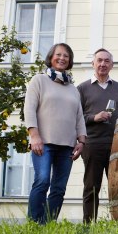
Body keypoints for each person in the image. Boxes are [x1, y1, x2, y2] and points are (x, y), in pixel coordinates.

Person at [24, 43, 87, 224]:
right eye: (58, 54)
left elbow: (79, 117)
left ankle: (47, 224)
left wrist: (81, 141)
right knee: (42, 181)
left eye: (66, 56)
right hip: (43, 143)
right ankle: (34, 224)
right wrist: (34, 135)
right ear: (51, 57)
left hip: (67, 146)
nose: (62, 58)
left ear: (70, 61)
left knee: (59, 188)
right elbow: (29, 109)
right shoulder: (39, 80)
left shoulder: (73, 89)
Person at [77, 48, 118, 223]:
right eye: (99, 60)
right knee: (91, 187)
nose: (103, 64)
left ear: (112, 65)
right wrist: (94, 117)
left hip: (117, 145)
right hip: (92, 144)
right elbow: (75, 118)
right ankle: (88, 226)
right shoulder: (82, 89)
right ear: (93, 64)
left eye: (107, 61)